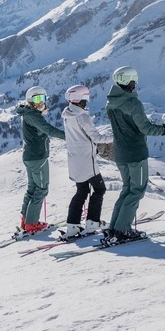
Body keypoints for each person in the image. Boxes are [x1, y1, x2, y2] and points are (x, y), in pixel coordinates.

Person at [104, 66, 165, 243]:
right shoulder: (133, 104)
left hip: (120, 154)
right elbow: (146, 128)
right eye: (133, 81)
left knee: (127, 190)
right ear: (128, 82)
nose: (135, 84)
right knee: (136, 191)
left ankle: (114, 228)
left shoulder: (110, 103)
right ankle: (121, 230)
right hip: (135, 153)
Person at [60, 84, 108, 239]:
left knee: (82, 191)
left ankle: (72, 226)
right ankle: (93, 222)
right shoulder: (82, 116)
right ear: (80, 99)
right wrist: (117, 137)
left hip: (74, 160)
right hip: (87, 160)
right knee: (99, 189)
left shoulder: (67, 115)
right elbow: (96, 138)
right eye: (85, 99)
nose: (86, 102)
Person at [17, 86, 65, 233]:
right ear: (30, 100)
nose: (40, 102)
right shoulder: (33, 115)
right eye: (37, 99)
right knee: (42, 189)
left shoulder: (28, 113)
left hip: (31, 156)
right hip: (38, 157)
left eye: (43, 99)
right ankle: (32, 223)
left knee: (32, 188)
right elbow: (48, 129)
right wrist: (70, 136)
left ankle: (26, 221)